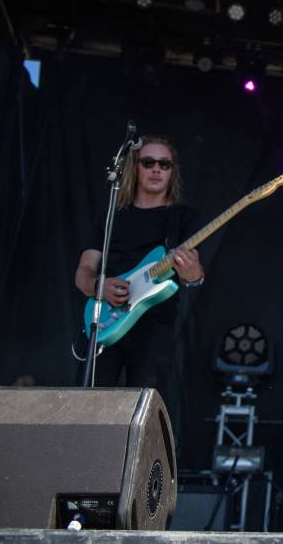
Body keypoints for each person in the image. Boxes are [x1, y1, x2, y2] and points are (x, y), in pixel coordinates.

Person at [74, 136, 204, 395]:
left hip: (154, 327)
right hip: (106, 319)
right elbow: (83, 271)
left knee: (142, 408)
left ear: (172, 171)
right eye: (148, 162)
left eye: (164, 164)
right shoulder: (111, 215)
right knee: (87, 404)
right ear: (135, 167)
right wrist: (99, 286)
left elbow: (194, 275)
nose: (156, 169)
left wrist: (192, 275)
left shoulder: (183, 219)